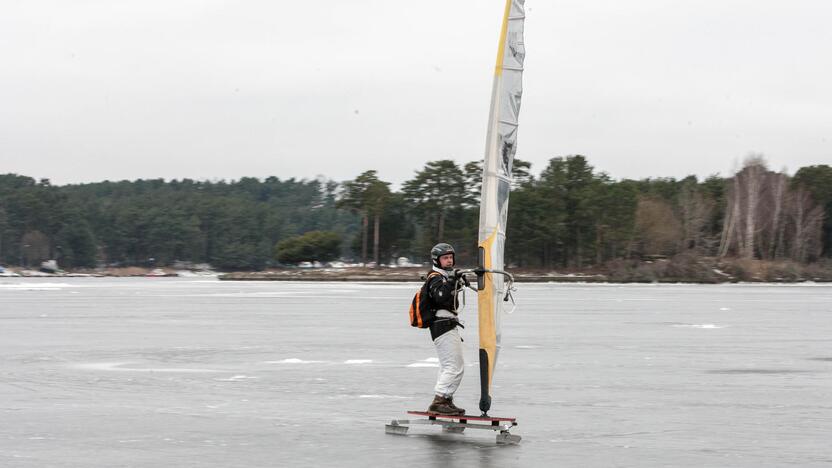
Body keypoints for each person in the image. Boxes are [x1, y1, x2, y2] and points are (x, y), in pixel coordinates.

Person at [424, 242, 470, 415]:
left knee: (447, 366)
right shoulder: (435, 277)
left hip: (447, 324)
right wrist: (452, 280)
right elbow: (441, 296)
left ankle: (447, 400)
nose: (449, 261)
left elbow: (450, 291)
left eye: (451, 257)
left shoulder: (446, 275)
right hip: (442, 324)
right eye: (445, 258)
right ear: (437, 260)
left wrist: (459, 280)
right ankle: (439, 401)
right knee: (455, 366)